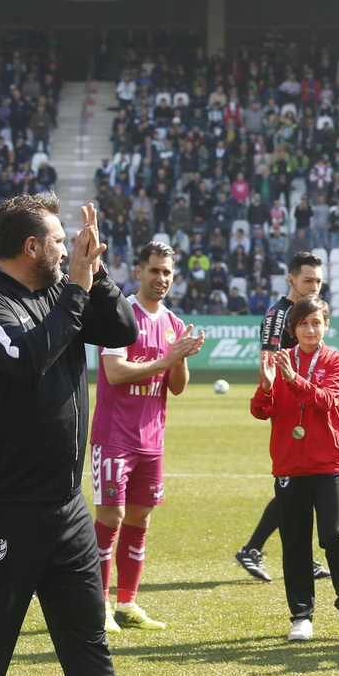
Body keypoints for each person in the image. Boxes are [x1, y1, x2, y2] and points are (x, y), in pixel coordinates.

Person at [0, 195, 194, 676]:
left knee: (86, 636)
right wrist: (77, 287)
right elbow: (27, 357)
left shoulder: (66, 290)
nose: (67, 248)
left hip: (64, 506)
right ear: (30, 246)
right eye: (60, 240)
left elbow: (123, 330)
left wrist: (96, 274)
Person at [89, 241, 204, 634]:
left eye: (167, 272)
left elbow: (177, 387)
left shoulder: (173, 322)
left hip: (151, 441)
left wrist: (180, 357)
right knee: (111, 517)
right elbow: (115, 372)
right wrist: (166, 359)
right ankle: (98, 605)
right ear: (138, 272)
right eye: (154, 270)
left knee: (139, 518)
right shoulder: (119, 315)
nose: (161, 278)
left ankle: (127, 603)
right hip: (114, 436)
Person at [250, 295, 339, 637]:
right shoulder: (280, 360)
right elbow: (260, 411)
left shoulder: (336, 361)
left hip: (328, 462)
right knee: (295, 542)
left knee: (333, 535)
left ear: (326, 325)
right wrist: (267, 387)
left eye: (316, 323)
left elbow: (327, 400)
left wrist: (293, 381)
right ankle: (301, 616)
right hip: (289, 464)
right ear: (293, 328)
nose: (310, 329)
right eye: (303, 324)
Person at [235, 252, 330, 582]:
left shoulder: (307, 310)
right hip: (292, 411)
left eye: (318, 281)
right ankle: (253, 549)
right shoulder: (280, 314)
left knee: (303, 485)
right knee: (294, 485)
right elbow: (268, 362)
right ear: (291, 280)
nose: (314, 286)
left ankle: (292, 555)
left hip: (307, 404)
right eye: (308, 280)